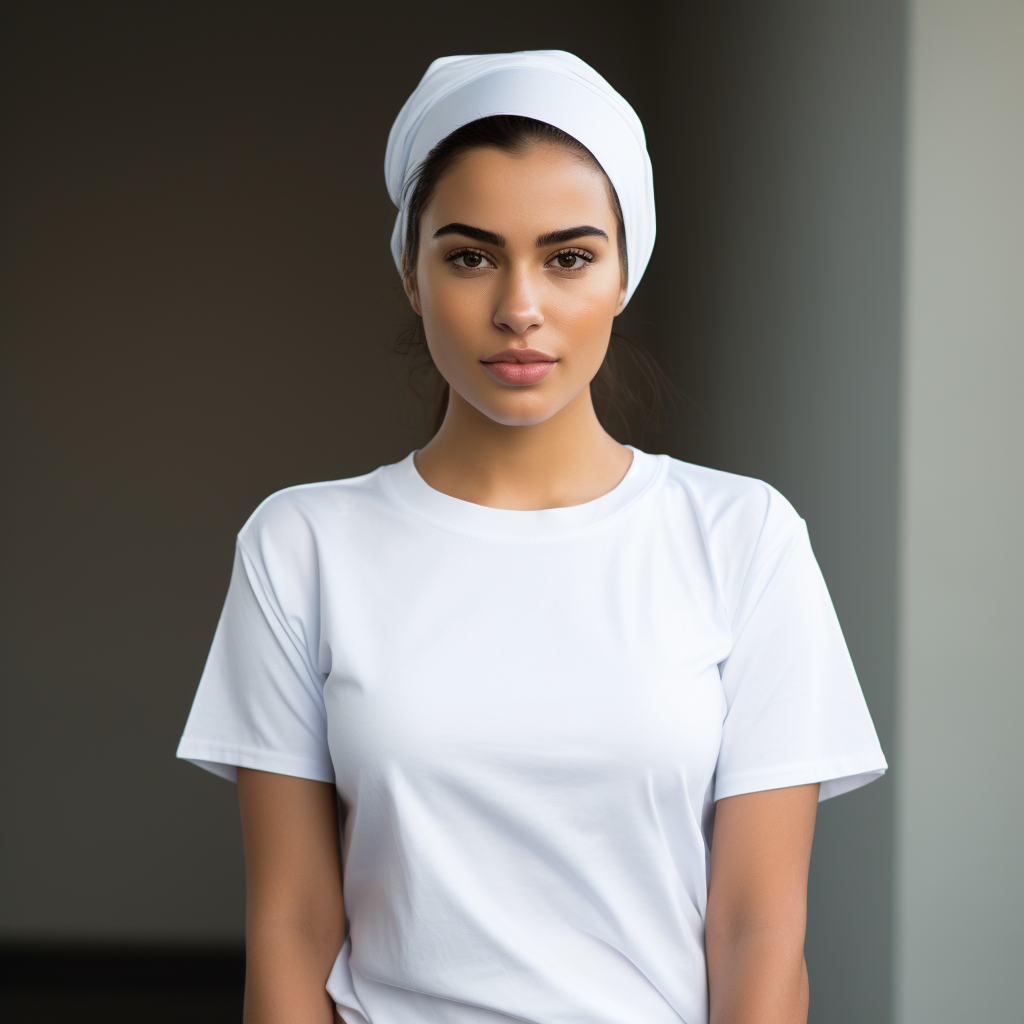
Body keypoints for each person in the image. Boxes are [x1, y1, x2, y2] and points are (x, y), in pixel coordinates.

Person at [176, 50, 888, 1024]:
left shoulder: (742, 537)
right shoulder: (302, 545)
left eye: (567, 256)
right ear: (410, 273)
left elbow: (758, 927)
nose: (519, 308)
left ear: (623, 269)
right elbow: (295, 923)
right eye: (469, 255)